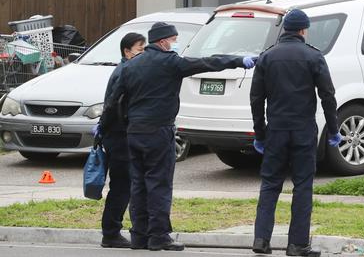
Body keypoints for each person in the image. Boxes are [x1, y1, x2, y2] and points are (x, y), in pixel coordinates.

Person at [99, 22, 256, 251]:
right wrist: (238, 60)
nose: (175, 43)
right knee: (159, 184)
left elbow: (113, 101)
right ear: (163, 42)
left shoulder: (131, 66)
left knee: (139, 185)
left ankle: (140, 236)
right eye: (173, 39)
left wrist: (102, 128)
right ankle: (159, 236)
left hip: (134, 133)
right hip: (158, 131)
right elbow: (208, 63)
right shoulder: (171, 63)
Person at [250, 9, 341, 257]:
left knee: (270, 184)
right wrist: (333, 129)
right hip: (303, 131)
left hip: (275, 131)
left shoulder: (267, 57)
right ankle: (297, 244)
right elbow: (327, 96)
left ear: (285, 30)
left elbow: (256, 99)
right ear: (303, 30)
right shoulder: (313, 56)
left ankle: (261, 239)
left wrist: (260, 133)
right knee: (302, 186)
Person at [94, 32, 146, 248]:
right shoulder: (125, 71)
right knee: (122, 185)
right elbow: (114, 106)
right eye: (140, 50)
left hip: (118, 135)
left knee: (124, 184)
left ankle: (113, 231)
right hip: (119, 136)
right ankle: (111, 233)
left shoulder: (127, 69)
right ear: (127, 51)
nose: (143, 54)